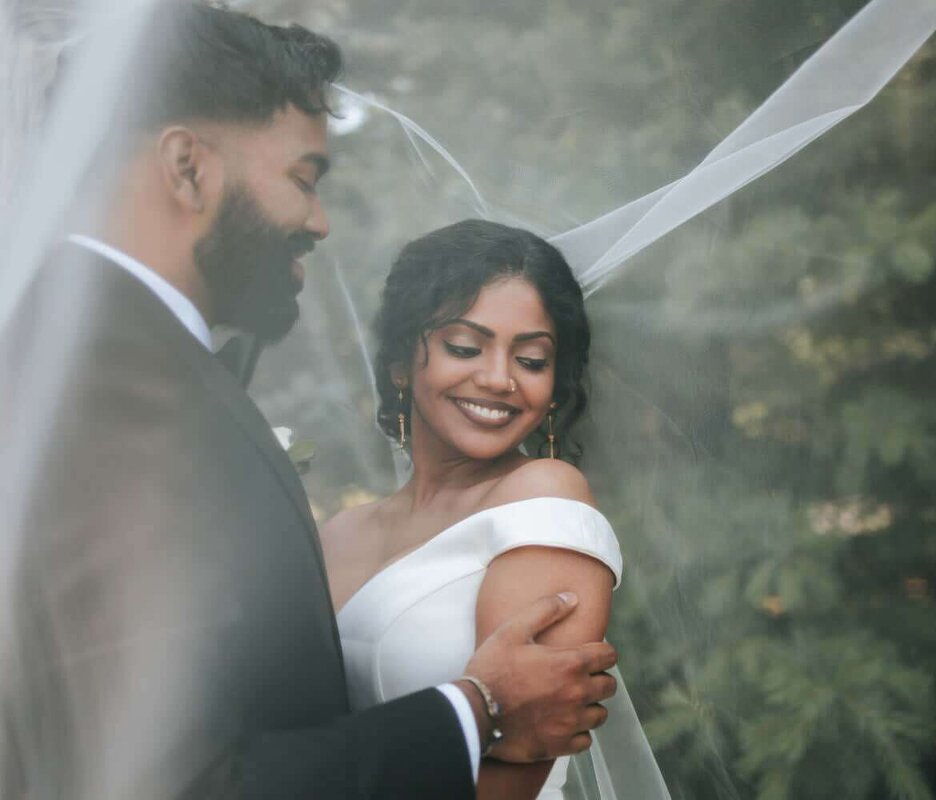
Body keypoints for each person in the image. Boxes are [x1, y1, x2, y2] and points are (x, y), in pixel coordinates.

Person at [0, 3, 617, 798]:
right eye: (302, 178)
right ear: (187, 167)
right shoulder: (120, 387)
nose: (319, 222)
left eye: (531, 358)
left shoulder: (89, 358)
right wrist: (479, 708)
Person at [322, 219, 648, 800]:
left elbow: (507, 782)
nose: (498, 379)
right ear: (401, 363)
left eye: (531, 360)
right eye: (466, 347)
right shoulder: (338, 535)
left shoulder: (544, 499)